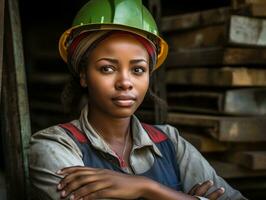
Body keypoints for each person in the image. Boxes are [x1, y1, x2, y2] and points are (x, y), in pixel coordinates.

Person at [29, 0, 247, 200]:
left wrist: (146, 187)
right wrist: (181, 196)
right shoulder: (54, 146)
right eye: (107, 68)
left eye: (137, 69)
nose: (125, 82)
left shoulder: (170, 141)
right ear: (84, 75)